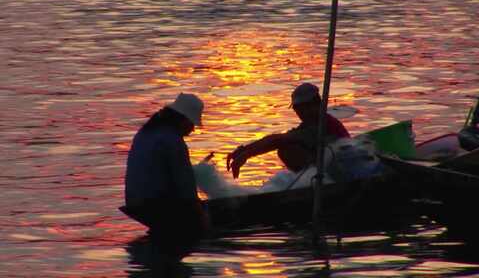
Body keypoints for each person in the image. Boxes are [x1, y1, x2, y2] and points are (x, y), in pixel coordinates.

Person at [123, 93, 207, 251]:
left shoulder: (145, 133)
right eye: (192, 123)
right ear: (182, 119)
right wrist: (201, 217)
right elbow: (185, 185)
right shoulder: (173, 141)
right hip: (159, 204)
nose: (193, 129)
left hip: (134, 202)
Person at [227, 82, 350, 179]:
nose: (298, 112)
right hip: (331, 166)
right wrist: (243, 150)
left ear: (316, 104)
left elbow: (278, 140)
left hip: (342, 169)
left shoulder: (322, 124)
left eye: (301, 107)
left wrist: (246, 154)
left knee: (287, 150)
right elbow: (275, 139)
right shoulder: (307, 125)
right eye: (296, 108)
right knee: (286, 147)